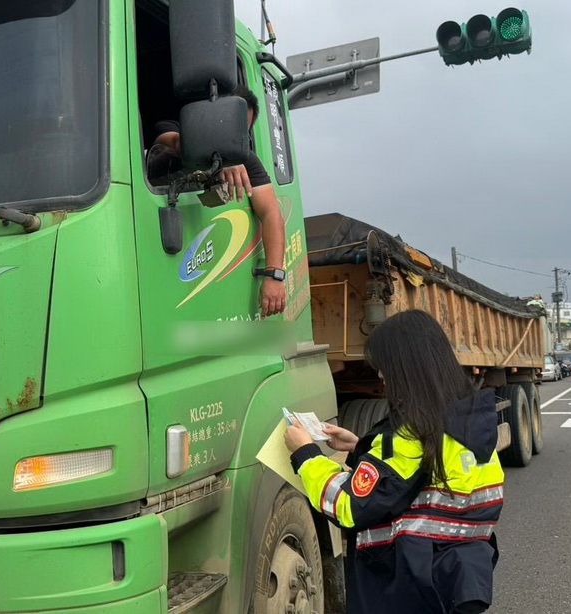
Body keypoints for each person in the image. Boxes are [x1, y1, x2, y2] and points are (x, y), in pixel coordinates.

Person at [284, 310, 504, 614]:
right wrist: (359, 445)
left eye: (384, 367)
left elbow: (349, 507)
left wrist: (305, 454)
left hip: (403, 587)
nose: (381, 376)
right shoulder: (467, 425)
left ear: (405, 369)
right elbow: (414, 483)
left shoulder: (410, 438)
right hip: (451, 580)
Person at [147, 89, 287, 318]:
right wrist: (220, 153)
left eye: (242, 131)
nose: (235, 137)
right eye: (231, 126)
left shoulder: (246, 159)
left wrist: (274, 275)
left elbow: (271, 213)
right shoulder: (169, 129)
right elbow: (172, 143)